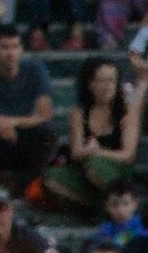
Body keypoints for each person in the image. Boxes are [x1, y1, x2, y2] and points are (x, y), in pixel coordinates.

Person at [0, 24, 59, 191]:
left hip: (23, 135)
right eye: (5, 47)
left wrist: (11, 122)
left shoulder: (35, 70)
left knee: (48, 131)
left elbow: (46, 114)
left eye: (15, 47)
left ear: (21, 49)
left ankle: (31, 185)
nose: (11, 53)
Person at [42, 56, 141, 208]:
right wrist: (88, 152)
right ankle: (99, 205)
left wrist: (96, 152)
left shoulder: (127, 113)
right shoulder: (79, 114)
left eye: (111, 80)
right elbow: (76, 152)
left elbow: (128, 155)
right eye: (101, 80)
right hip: (84, 170)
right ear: (90, 83)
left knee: (94, 165)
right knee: (51, 178)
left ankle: (113, 205)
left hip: (116, 169)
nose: (106, 86)